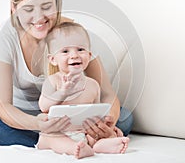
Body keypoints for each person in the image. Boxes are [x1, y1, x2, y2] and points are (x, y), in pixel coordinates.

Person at [0, 0, 133, 148]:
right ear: (14, 8)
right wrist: (37, 124)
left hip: (67, 118)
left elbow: (108, 95)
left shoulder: (74, 34)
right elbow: (3, 106)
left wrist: (106, 124)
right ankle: (53, 141)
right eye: (28, 9)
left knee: (125, 118)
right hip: (22, 119)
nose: (39, 17)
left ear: (57, 5)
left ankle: (69, 139)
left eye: (46, 6)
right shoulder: (5, 35)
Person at [37, 22, 129, 159]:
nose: (74, 55)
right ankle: (74, 148)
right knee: (51, 137)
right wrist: (63, 92)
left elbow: (96, 111)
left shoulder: (93, 85)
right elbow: (43, 106)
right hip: (57, 132)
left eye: (80, 49)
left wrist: (105, 122)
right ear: (53, 60)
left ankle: (100, 145)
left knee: (95, 135)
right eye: (65, 51)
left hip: (82, 131)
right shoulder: (53, 81)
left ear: (89, 55)